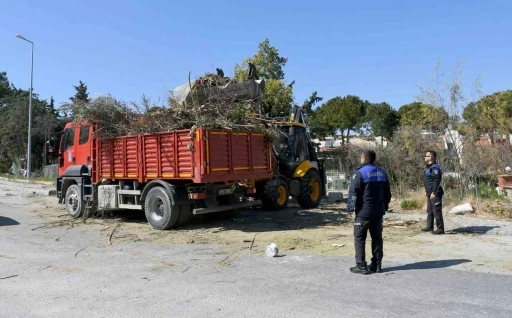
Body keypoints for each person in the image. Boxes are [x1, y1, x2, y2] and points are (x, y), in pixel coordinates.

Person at [347, 149, 391, 274]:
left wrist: (350, 208)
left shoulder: (359, 173)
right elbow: (387, 193)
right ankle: (377, 265)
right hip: (378, 212)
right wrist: (385, 206)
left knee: (359, 238)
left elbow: (353, 193)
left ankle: (361, 265)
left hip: (364, 212)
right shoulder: (382, 173)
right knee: (377, 238)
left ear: (364, 158)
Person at [422, 150, 445, 234]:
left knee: (436, 210)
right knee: (430, 210)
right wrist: (427, 192)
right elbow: (428, 181)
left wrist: (433, 192)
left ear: (430, 157)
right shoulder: (429, 167)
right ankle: (429, 227)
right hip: (430, 193)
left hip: (435, 194)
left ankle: (440, 229)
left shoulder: (435, 168)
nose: (424, 157)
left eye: (426, 156)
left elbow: (436, 181)